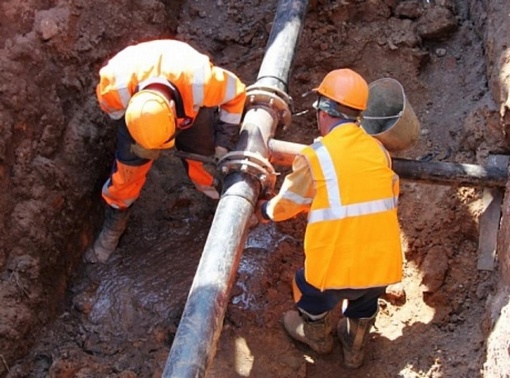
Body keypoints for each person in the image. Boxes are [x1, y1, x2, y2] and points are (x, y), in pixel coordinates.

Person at [255, 68, 403, 369]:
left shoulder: (316, 155)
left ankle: (317, 337)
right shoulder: (378, 150)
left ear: (323, 112)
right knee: (365, 303)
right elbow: (389, 195)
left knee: (306, 288)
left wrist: (264, 211)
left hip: (331, 275)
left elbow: (289, 203)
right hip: (381, 265)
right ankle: (355, 347)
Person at [84, 39, 247, 264]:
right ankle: (111, 231)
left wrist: (223, 143)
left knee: (204, 164)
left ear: (173, 112)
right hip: (140, 110)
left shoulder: (201, 83)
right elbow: (116, 115)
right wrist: (140, 136)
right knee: (126, 177)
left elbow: (236, 94)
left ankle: (227, 202)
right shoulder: (113, 90)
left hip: (185, 95)